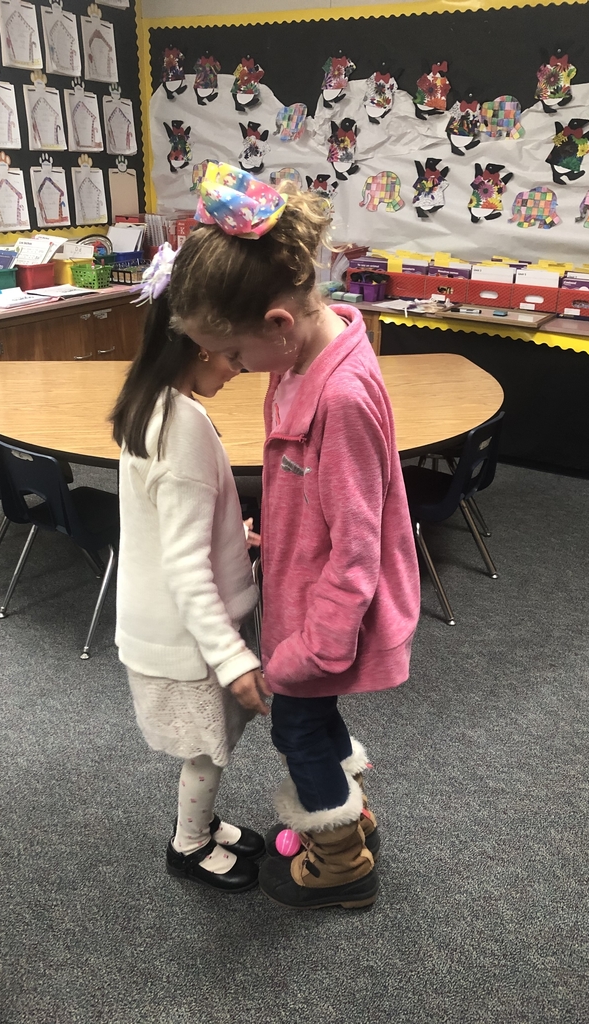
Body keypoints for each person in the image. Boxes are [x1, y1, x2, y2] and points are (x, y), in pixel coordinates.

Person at [168, 162, 420, 910]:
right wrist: (272, 528)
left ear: (278, 323)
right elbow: (312, 497)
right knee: (317, 720)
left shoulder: (338, 398)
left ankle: (340, 863)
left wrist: (312, 651)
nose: (237, 370)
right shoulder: (305, 353)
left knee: (299, 730)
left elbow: (356, 549)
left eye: (236, 354)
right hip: (306, 600)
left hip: (322, 622)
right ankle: (352, 816)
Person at [111, 288, 271, 894]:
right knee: (205, 750)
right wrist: (232, 658)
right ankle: (189, 845)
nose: (239, 368)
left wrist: (234, 533)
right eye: (232, 354)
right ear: (197, 343)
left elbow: (172, 524)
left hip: (171, 624)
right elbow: (183, 564)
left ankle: (201, 823)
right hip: (192, 637)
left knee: (208, 747)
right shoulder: (183, 428)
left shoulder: (151, 402)